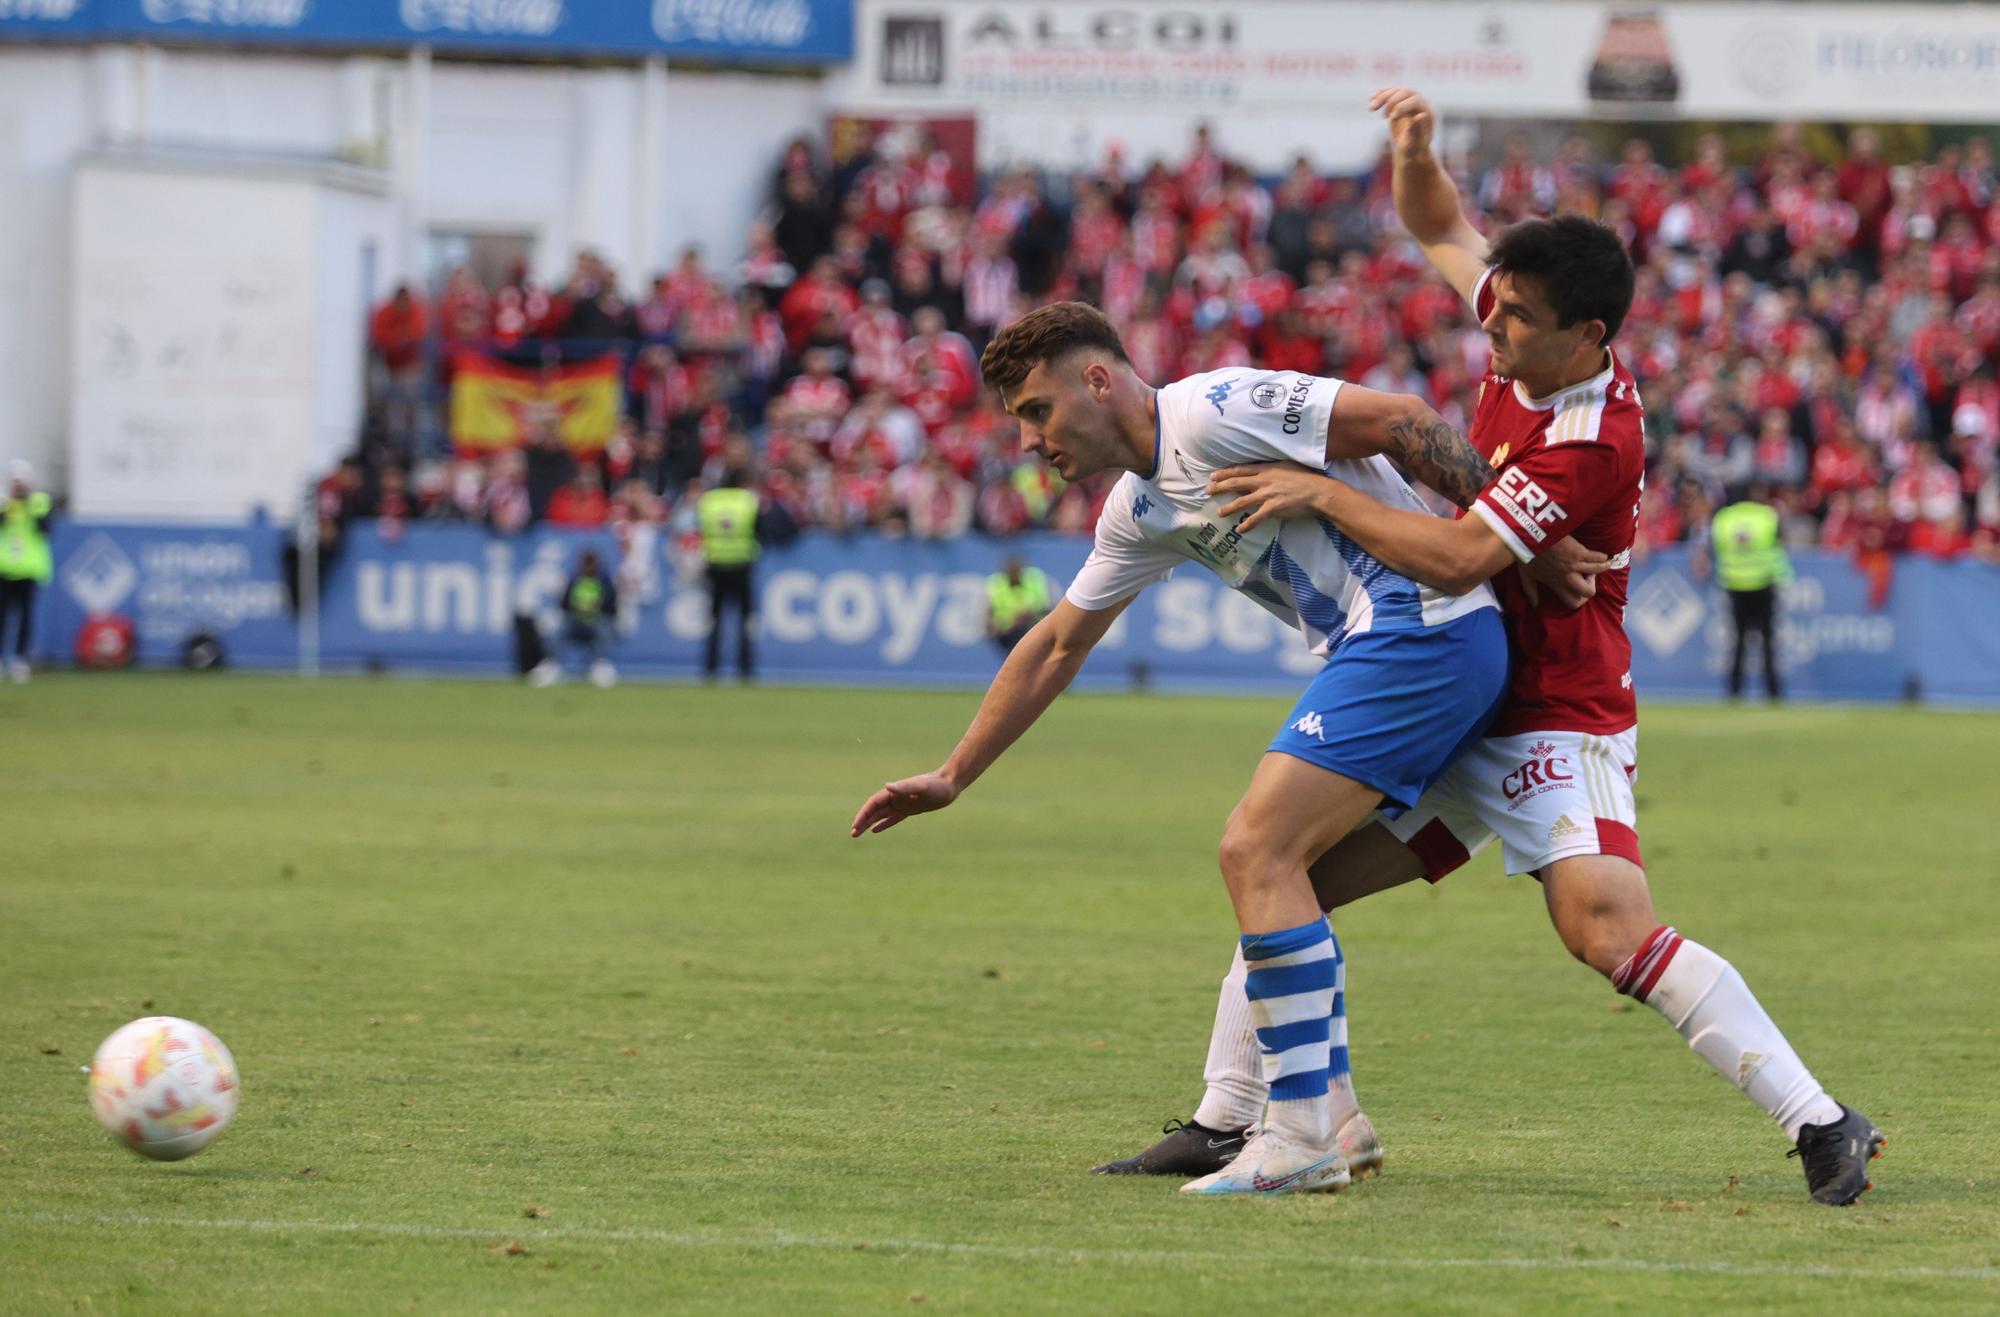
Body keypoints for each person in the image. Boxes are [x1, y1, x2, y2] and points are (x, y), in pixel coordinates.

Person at [1099, 88, 1879, 1209]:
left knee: (1602, 930)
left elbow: (1461, 557)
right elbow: (1434, 227)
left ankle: (1819, 1119)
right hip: (1462, 697)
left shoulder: (1588, 435)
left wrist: (1318, 491)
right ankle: (1236, 1119)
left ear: (1588, 338)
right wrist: (1412, 154)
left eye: (1513, 319)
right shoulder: (1531, 340)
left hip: (1554, 711)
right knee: (1284, 876)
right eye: (1494, 308)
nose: (1490, 328)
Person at [852, 300, 1529, 1196]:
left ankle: (1293, 1135)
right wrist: (952, 774)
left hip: (1423, 628)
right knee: (1291, 888)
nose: (1028, 439)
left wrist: (1514, 532)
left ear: (1098, 380)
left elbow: (1401, 420)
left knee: (1255, 848)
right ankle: (1333, 1116)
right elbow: (1058, 642)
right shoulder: (1138, 509)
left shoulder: (1214, 410)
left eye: (1036, 411)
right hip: (1415, 650)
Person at [1711, 483, 1792, 701]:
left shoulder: (1724, 518)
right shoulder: (1768, 515)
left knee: (1737, 642)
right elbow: (1780, 545)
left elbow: (1716, 548)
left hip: (1734, 584)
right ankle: (1773, 692)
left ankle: (1734, 691)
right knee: (1767, 642)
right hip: (1763, 584)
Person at [698, 469, 761, 682]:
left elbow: (700, 528)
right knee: (745, 621)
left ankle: (710, 667)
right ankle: (745, 668)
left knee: (714, 620)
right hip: (742, 564)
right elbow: (761, 527)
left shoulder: (708, 501)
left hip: (715, 564)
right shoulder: (748, 500)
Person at [530, 549, 619, 688]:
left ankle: (601, 666)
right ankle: (551, 665)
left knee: (604, 626)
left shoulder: (605, 581)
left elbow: (612, 607)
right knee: (559, 628)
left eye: (592, 564)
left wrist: (596, 608)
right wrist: (577, 608)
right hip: (576, 621)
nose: (589, 567)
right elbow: (563, 604)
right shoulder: (574, 580)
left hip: (595, 621)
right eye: (586, 564)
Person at [0, 460, 53, 683]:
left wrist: (28, 507)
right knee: (2, 616)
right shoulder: (4, 504)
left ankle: (20, 660)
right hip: (5, 568)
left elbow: (45, 529)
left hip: (30, 569)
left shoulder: (38, 503)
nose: (18, 487)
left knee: (25, 617)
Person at [985, 557, 1050, 656]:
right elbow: (990, 613)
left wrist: (1027, 614)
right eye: (1011, 572)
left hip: (1030, 625)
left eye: (1017, 572)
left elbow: (1043, 607)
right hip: (1006, 629)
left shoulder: (1034, 580)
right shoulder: (996, 585)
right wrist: (1005, 622)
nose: (1014, 575)